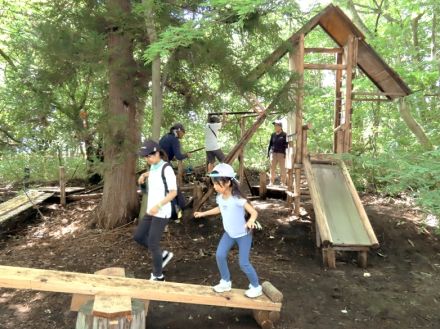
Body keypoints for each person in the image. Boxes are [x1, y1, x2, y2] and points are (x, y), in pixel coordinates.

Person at [194, 163, 262, 298]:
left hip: (243, 235)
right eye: (214, 183)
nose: (214, 186)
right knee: (219, 255)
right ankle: (225, 281)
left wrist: (250, 220)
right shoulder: (220, 197)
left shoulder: (237, 199)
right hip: (229, 234)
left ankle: (256, 286)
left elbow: (253, 212)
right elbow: (220, 208)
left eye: (216, 183)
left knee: (243, 263)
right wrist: (203, 213)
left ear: (227, 183)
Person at [134, 139, 175, 281]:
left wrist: (158, 206)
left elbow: (173, 192)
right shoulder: (153, 167)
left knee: (152, 243)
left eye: (149, 156)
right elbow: (155, 175)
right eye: (145, 157)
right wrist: (144, 175)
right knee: (138, 237)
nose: (147, 159)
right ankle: (162, 255)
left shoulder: (167, 169)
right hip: (151, 210)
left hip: (161, 211)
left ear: (157, 153)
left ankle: (159, 276)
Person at [267, 119, 288, 187]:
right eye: (274, 126)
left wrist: (286, 154)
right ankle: (271, 182)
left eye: (276, 125)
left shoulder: (284, 135)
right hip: (273, 154)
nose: (275, 127)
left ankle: (283, 183)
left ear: (280, 126)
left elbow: (287, 145)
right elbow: (270, 144)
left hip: (281, 154)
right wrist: (268, 153)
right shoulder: (273, 135)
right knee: (272, 168)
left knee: (282, 169)